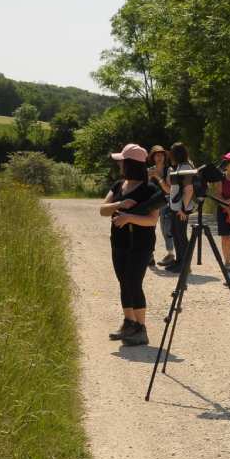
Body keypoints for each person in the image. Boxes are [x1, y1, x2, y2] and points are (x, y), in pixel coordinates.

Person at [100, 144, 161, 346]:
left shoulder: (150, 189)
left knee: (134, 282)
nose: (119, 164)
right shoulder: (119, 185)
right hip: (119, 242)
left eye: (122, 161)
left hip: (141, 245)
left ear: (130, 164)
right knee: (123, 282)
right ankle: (129, 324)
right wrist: (118, 205)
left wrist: (129, 218)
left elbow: (152, 220)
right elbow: (102, 210)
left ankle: (141, 329)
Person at [164, 142, 195, 273]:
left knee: (181, 235)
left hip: (181, 208)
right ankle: (179, 261)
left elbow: (189, 189)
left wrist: (183, 208)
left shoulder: (186, 166)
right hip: (176, 207)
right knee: (176, 233)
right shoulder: (179, 166)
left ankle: (185, 265)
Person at [211, 151, 230, 270]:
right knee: (225, 237)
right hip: (224, 209)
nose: (227, 163)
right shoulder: (221, 176)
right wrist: (228, 208)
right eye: (227, 160)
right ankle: (227, 263)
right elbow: (218, 196)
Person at [148, 145, 175, 267]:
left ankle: (170, 254)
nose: (159, 157)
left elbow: (168, 190)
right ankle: (149, 255)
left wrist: (157, 177)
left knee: (166, 229)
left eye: (161, 154)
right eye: (156, 155)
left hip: (165, 202)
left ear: (165, 157)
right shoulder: (149, 171)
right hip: (152, 202)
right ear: (153, 157)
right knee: (149, 229)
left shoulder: (169, 171)